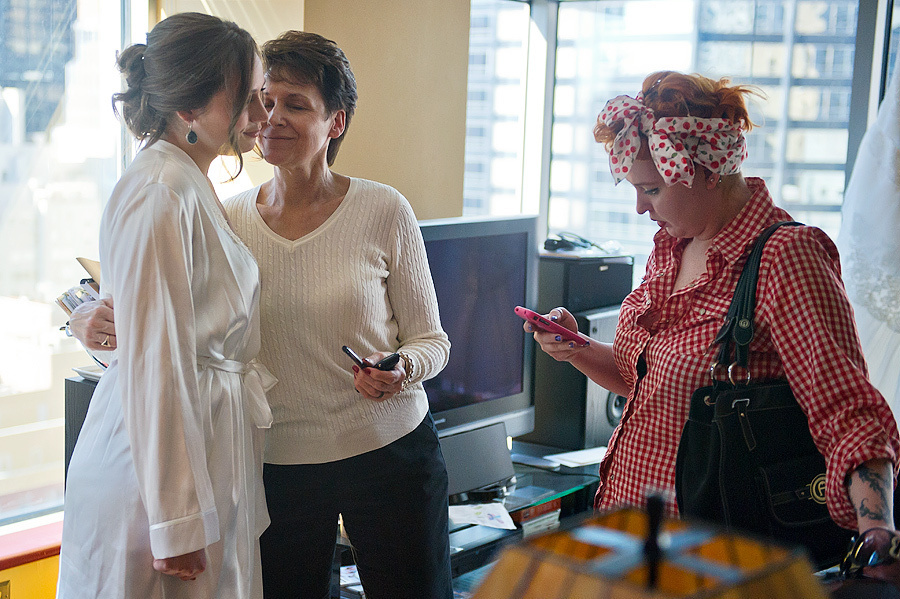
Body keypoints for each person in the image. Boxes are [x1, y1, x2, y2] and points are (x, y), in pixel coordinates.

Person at [70, 30, 453, 599]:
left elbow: (432, 340)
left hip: (385, 450)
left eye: (293, 104)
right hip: (278, 463)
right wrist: (88, 316)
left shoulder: (383, 209)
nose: (268, 116)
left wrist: (402, 368)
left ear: (336, 123)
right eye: (261, 98)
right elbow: (159, 318)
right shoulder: (217, 211)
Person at [525, 71, 900, 575]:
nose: (640, 207)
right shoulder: (672, 246)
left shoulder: (785, 257)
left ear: (706, 171)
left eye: (652, 189)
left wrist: (878, 530)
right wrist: (576, 349)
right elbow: (653, 382)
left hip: (711, 558)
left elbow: (847, 411)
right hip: (629, 542)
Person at [57, 13, 272, 599]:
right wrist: (176, 520)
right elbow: (157, 358)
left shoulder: (188, 182)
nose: (261, 116)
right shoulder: (159, 190)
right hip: (154, 476)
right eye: (248, 99)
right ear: (190, 109)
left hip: (202, 445)